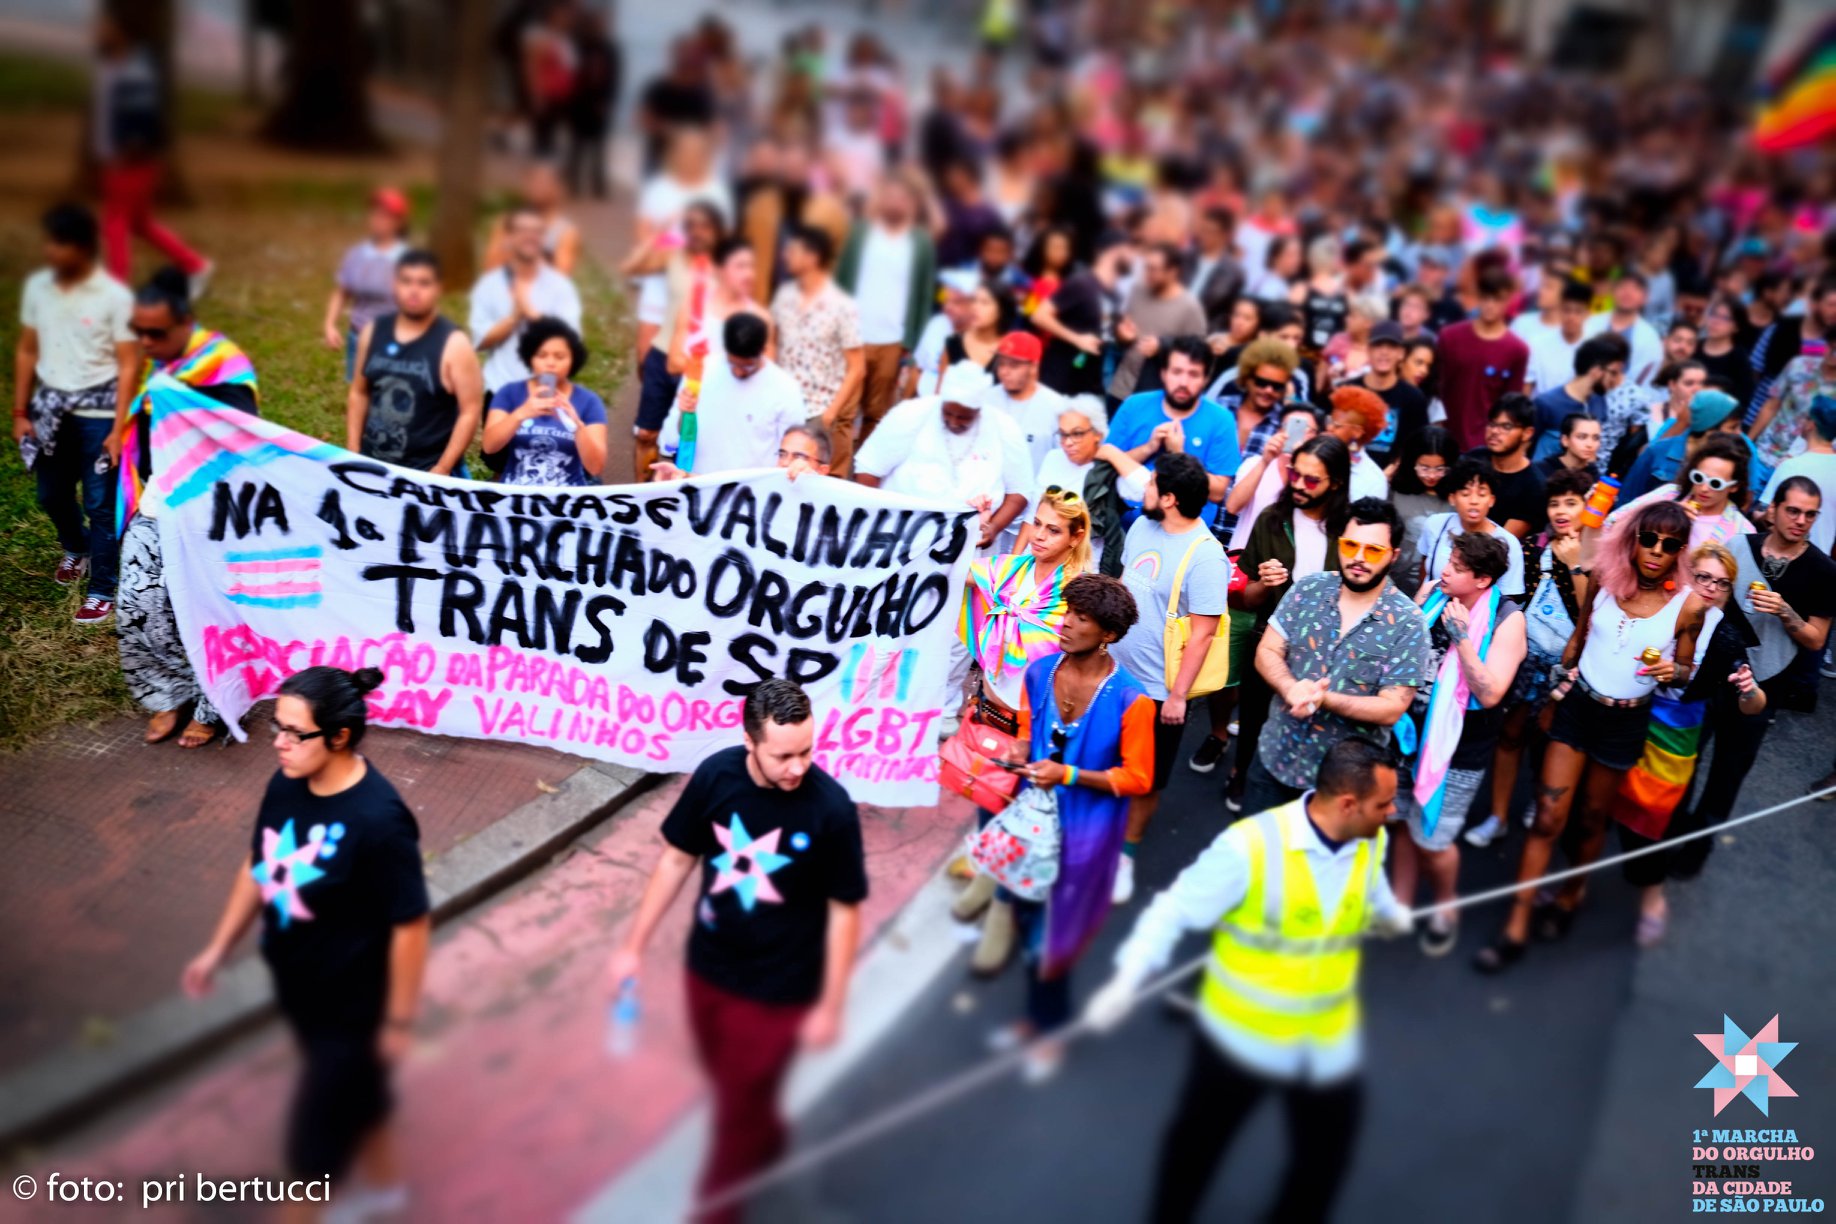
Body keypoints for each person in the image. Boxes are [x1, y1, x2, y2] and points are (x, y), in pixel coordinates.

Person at [1085, 737, 1413, 1224]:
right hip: (1241, 1041)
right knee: (1197, 1149)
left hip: (1325, 1042)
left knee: (1322, 1163)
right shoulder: (1250, 847)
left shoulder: (1370, 840)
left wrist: (1389, 914)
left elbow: (1371, 887)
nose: (1391, 813)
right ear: (1348, 804)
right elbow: (1173, 911)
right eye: (1383, 804)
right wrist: (1126, 981)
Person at [606, 680, 865, 1224]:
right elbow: (677, 859)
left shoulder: (832, 810)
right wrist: (633, 946)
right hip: (708, 965)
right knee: (727, 1081)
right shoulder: (715, 777)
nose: (799, 767)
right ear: (749, 741)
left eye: (806, 751)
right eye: (783, 756)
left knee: (734, 1112)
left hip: (781, 987)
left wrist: (831, 1005)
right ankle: (765, 1132)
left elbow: (845, 910)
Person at [181, 667, 430, 1221]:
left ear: (339, 737)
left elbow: (410, 925)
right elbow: (260, 863)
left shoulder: (380, 821)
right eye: (278, 726)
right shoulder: (287, 783)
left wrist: (397, 1023)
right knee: (360, 1094)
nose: (279, 742)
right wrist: (218, 948)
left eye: (295, 733)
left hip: (354, 1005)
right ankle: (386, 1190)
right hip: (299, 982)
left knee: (312, 1153)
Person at [1476, 500, 1707, 972]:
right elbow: (1578, 641)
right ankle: (1515, 925)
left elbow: (1687, 670)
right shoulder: (1603, 579)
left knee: (1590, 820)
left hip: (1625, 722)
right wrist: (1556, 691)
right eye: (1648, 539)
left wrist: (1674, 671)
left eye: (1670, 545)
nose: (1656, 551)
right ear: (1633, 540)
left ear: (1681, 552)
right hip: (1578, 708)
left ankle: (1571, 893)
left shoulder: (1690, 606)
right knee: (1548, 817)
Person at [980, 573, 1156, 1080]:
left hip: (1086, 835)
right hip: (1030, 823)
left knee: (1056, 936)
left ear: (1108, 635)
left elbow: (1139, 777)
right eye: (1067, 612)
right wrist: (1021, 749)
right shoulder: (1039, 672)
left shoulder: (1133, 700)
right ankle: (1035, 1019)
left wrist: (1070, 774)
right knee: (1024, 915)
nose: (1066, 623)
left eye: (1082, 618)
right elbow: (1029, 727)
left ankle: (1049, 1031)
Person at [951, 503, 1099, 976]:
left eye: (1054, 530)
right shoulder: (1010, 570)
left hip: (1034, 720)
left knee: (1024, 816)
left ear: (1075, 537)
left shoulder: (1078, 593)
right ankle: (985, 877)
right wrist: (963, 523)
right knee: (987, 797)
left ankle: (1001, 910)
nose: (1039, 535)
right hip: (992, 705)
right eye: (1037, 523)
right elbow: (956, 570)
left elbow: (1079, 663)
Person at [117, 268, 258, 750]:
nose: (146, 342)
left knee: (203, 609)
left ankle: (215, 702)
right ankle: (168, 693)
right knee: (138, 602)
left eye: (156, 333)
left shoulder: (222, 366)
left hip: (210, 509)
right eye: (139, 332)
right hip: (161, 499)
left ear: (185, 323)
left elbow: (241, 439)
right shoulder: (161, 363)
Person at [1677, 477, 1836, 869]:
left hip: (1766, 681)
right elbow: (1704, 598)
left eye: (1810, 514)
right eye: (1793, 510)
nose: (1801, 520)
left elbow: (1816, 639)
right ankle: (1669, 834)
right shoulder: (1739, 547)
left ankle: (1697, 848)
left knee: (1729, 771)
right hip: (1711, 671)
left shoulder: (1823, 570)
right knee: (1683, 757)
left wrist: (1786, 613)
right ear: (1774, 509)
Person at [1615, 541, 1761, 946]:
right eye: (1703, 577)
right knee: (1602, 796)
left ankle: (1651, 897)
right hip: (1627, 713)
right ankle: (1573, 885)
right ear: (1685, 576)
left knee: (1658, 813)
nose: (1711, 588)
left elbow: (1754, 705)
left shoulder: (1725, 636)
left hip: (1675, 730)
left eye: (1722, 583)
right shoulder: (1657, 606)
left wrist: (1749, 689)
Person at [1246, 497, 1429, 813]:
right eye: (1350, 545)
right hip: (1275, 760)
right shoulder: (1308, 589)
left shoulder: (1408, 622)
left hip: (1343, 789)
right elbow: (1268, 650)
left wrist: (1322, 699)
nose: (1358, 558)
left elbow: (1392, 708)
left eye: (1373, 550)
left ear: (1394, 555)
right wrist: (1290, 688)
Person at [1390, 532, 1526, 955]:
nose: (1444, 570)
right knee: (1402, 822)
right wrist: (1415, 609)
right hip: (1406, 736)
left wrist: (1462, 638)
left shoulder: (1508, 620)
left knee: (1433, 840)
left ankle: (1446, 907)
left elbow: (1490, 693)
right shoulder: (1434, 595)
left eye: (1457, 567)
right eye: (1448, 561)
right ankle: (1400, 903)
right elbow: (1398, 651)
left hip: (1458, 750)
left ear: (1483, 580)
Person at [1108, 453, 1230, 902]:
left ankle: (1126, 853)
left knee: (1146, 779)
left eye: (1152, 483)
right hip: (1111, 673)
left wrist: (1178, 696)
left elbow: (1203, 634)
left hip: (1157, 692)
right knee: (1100, 760)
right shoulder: (1142, 527)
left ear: (1170, 499)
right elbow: (1125, 587)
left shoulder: (1207, 557)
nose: (1144, 488)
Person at [14, 202, 137, 626]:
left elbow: (128, 364)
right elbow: (27, 350)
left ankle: (102, 590)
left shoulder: (113, 297)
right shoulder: (39, 288)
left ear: (83, 248)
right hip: (51, 411)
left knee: (101, 505)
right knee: (51, 495)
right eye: (49, 242)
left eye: (59, 243)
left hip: (99, 415)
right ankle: (76, 547)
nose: (50, 251)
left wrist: (118, 428)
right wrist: (20, 411)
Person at [1468, 467, 1596, 848]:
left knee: (1550, 739)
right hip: (1526, 658)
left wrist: (1575, 564)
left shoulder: (1600, 558)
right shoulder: (1531, 549)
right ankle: (1498, 816)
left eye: (1571, 503)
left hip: (1567, 667)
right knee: (1510, 734)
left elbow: (1594, 616)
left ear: (1589, 508)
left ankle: (1540, 802)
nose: (1561, 511)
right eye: (1555, 503)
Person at [1229, 436, 1353, 810]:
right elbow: (1248, 598)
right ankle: (1241, 775)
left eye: (1311, 479)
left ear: (1336, 483)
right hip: (1269, 638)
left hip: (1327, 649)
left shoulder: (1349, 529)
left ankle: (1304, 796)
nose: (1298, 484)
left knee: (1313, 725)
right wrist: (1264, 584)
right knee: (1253, 719)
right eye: (1295, 474)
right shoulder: (1272, 519)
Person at [92, 13, 210, 293]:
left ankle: (117, 288)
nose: (99, 32)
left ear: (123, 32)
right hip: (117, 156)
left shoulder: (135, 71)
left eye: (106, 26)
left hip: (133, 159)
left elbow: (143, 119)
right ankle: (194, 264)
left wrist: (128, 151)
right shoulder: (113, 66)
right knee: (139, 223)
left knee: (115, 222)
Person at [855, 363, 1031, 551]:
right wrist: (872, 520)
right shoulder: (910, 413)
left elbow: (1019, 492)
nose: (953, 422)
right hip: (898, 536)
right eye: (947, 413)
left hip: (966, 546)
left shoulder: (1004, 427)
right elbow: (868, 468)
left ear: (978, 410)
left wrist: (994, 527)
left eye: (963, 417)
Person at [347, 250, 485, 478]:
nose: (414, 290)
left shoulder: (455, 345)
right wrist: (353, 451)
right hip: (373, 466)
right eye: (406, 281)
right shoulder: (372, 332)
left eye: (424, 283)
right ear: (394, 284)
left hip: (426, 474)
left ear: (439, 288)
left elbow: (470, 410)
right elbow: (359, 392)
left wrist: (443, 467)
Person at [835, 173, 937, 458]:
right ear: (880, 199)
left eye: (902, 198)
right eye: (890, 196)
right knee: (844, 411)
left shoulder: (920, 242)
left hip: (893, 339)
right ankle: (837, 474)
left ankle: (862, 471)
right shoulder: (860, 233)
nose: (895, 203)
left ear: (912, 203)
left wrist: (912, 342)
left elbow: (924, 294)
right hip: (853, 335)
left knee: (876, 413)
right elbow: (841, 279)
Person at [628, 200, 725, 481]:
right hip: (662, 355)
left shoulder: (727, 269)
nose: (697, 232)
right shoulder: (673, 256)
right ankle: (642, 493)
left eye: (704, 226)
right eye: (690, 225)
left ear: (717, 231)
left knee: (689, 440)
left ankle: (680, 493)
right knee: (646, 434)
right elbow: (634, 267)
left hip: (701, 367)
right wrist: (662, 231)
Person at [1104, 336, 1242, 528]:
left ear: (1205, 379)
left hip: (1183, 532)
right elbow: (1105, 466)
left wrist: (1179, 455)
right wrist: (1148, 448)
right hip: (1122, 525)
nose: (1183, 382)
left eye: (1193, 374)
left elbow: (1218, 492)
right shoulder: (1134, 405)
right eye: (1177, 372)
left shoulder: (1221, 419)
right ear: (1163, 373)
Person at [656, 313, 807, 477]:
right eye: (733, 364)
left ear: (764, 350)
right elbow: (671, 441)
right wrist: (684, 413)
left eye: (747, 366)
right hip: (700, 483)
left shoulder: (786, 389)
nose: (739, 371)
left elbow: (794, 451)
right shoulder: (700, 372)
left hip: (754, 489)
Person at [772, 225, 867, 474]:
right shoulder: (784, 296)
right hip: (782, 405)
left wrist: (830, 414)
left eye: (793, 251)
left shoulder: (842, 306)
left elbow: (857, 368)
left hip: (817, 411)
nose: (786, 256)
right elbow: (773, 343)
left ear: (812, 258)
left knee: (811, 479)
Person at [470, 205, 583, 396]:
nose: (530, 236)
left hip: (546, 391)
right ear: (508, 237)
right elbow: (479, 341)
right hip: (499, 391)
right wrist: (514, 317)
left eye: (537, 231)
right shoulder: (490, 284)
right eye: (522, 230)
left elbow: (571, 341)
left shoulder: (560, 286)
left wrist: (531, 313)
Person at [480, 316, 608, 486]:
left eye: (559, 357)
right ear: (530, 357)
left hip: (568, 495)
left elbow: (596, 467)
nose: (550, 363)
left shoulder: (589, 401)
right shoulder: (509, 393)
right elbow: (489, 446)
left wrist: (576, 425)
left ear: (573, 359)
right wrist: (521, 414)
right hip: (516, 493)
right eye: (542, 355)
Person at [1611, 432, 1756, 553]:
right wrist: (1666, 514)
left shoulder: (1742, 531)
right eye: (1698, 477)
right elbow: (1613, 521)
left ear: (1734, 486)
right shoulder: (1669, 494)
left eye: (1715, 484)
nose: (1704, 488)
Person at [1435, 269, 1528, 451]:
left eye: (1497, 299)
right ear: (1478, 298)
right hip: (1442, 438)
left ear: (1508, 300)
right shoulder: (1449, 337)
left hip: (1485, 447)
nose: (1490, 305)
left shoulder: (1517, 350)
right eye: (1486, 298)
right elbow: (1434, 388)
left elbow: (1511, 406)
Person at [323, 189, 410, 381]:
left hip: (392, 341)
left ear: (399, 222)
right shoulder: (357, 255)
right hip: (358, 337)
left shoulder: (406, 259)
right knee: (357, 391)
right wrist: (330, 325)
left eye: (385, 216)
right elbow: (342, 292)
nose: (378, 220)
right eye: (375, 214)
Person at [1108, 243, 1208, 404]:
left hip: (1155, 394)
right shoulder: (1137, 290)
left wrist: (1162, 345)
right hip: (1121, 387)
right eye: (1146, 268)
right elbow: (1120, 329)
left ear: (1173, 271)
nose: (1148, 274)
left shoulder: (1189, 306)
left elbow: (1199, 349)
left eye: (1154, 269)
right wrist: (1122, 335)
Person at [1034, 235, 1131, 399]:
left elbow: (1105, 333)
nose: (1132, 256)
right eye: (1129, 249)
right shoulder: (1082, 283)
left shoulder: (1116, 296)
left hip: (1089, 386)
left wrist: (1124, 337)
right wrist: (1077, 339)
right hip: (1059, 379)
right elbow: (1039, 315)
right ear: (1113, 250)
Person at [1412, 462, 1527, 598]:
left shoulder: (1508, 543)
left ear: (1491, 500)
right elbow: (1425, 567)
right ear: (1452, 498)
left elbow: (1509, 595)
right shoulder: (1435, 524)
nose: (1474, 501)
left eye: (1481, 494)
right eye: (1465, 494)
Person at [1620, 386, 1754, 500]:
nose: (1739, 433)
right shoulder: (1658, 452)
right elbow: (1627, 499)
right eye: (1732, 427)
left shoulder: (1733, 462)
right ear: (1709, 428)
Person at [981, 331, 1068, 475]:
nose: (1004, 372)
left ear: (1034, 366)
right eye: (1001, 364)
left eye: (1013, 365)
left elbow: (1064, 461)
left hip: (1037, 487)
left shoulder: (1057, 406)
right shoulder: (985, 399)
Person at [1759, 395, 1836, 556]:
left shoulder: (1791, 466)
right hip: (1821, 559)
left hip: (1783, 555)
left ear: (1811, 424)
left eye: (1805, 417)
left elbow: (1766, 517)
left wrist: (1759, 515)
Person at [1529, 333, 1626, 461]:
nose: (1617, 380)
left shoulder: (1600, 403)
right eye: (1613, 373)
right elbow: (1526, 447)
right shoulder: (1546, 403)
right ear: (1596, 370)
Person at [1388, 426, 1461, 597]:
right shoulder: (1395, 490)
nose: (1431, 475)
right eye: (1424, 468)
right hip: (1394, 576)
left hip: (1438, 585)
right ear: (1412, 463)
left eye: (1440, 469)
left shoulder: (1457, 496)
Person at [1750, 338, 1836, 476]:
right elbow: (1771, 405)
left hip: (1801, 464)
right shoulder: (1799, 365)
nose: (1833, 353)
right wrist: (1749, 441)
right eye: (1832, 346)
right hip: (1766, 448)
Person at [1462, 395, 1543, 539]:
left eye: (1506, 427)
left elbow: (1502, 541)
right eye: (1492, 424)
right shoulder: (1473, 460)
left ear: (1527, 433)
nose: (1494, 431)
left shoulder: (1534, 486)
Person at [482, 161, 583, 275]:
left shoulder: (565, 232)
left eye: (544, 183)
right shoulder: (506, 221)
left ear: (558, 189)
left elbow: (561, 274)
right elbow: (489, 266)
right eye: (533, 182)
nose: (537, 188)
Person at [565, 7, 621, 200]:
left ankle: (598, 185)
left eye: (604, 23)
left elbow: (615, 79)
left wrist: (609, 102)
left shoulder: (612, 49)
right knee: (577, 145)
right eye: (598, 22)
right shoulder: (580, 46)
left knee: (599, 147)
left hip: (600, 102)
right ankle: (573, 181)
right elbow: (573, 74)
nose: (601, 26)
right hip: (580, 102)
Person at [1357, 321, 1429, 467]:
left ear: (1401, 353)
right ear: (1368, 350)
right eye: (1378, 345)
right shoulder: (1348, 390)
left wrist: (1390, 472)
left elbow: (1417, 447)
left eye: (1391, 346)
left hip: (1395, 476)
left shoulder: (1414, 398)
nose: (1384, 352)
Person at [1583, 270, 1664, 385]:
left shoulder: (1650, 338)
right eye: (1623, 287)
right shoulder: (1590, 323)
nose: (1627, 293)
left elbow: (1643, 379)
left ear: (1645, 297)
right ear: (1612, 292)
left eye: (1635, 289)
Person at [1522, 279, 1593, 396]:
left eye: (1578, 311)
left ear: (1587, 314)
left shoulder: (1593, 349)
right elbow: (1526, 386)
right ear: (1559, 310)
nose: (1571, 317)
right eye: (1567, 310)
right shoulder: (1537, 344)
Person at [938, 280, 1016, 380]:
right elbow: (941, 386)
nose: (975, 307)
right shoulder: (953, 342)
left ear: (1001, 310)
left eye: (984, 303)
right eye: (974, 300)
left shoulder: (1012, 347)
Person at [1324, 385, 1390, 502]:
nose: (1329, 428)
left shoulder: (1374, 481)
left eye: (1337, 425)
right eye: (1329, 421)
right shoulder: (1312, 455)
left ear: (1357, 432)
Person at [1187, 206, 1244, 333]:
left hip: (1204, 329)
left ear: (1224, 235)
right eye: (1203, 230)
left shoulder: (1233, 273)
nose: (1205, 236)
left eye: (1211, 232)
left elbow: (1225, 313)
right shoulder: (1186, 258)